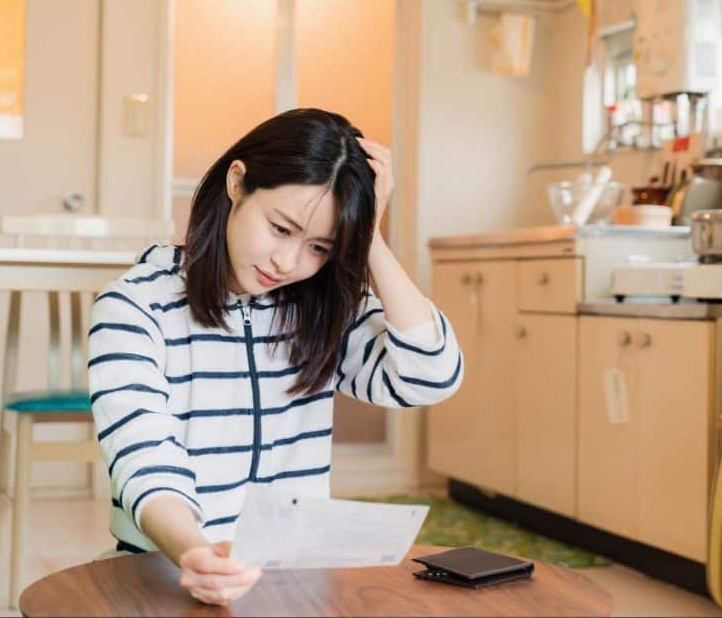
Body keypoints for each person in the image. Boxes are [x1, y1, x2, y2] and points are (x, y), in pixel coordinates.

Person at [88, 108, 463, 606]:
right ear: (237, 182)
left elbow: (430, 376)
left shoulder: (321, 307)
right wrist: (195, 553)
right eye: (281, 229)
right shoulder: (136, 306)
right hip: (167, 572)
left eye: (319, 248)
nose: (287, 263)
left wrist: (369, 235)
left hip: (293, 581)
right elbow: (145, 459)